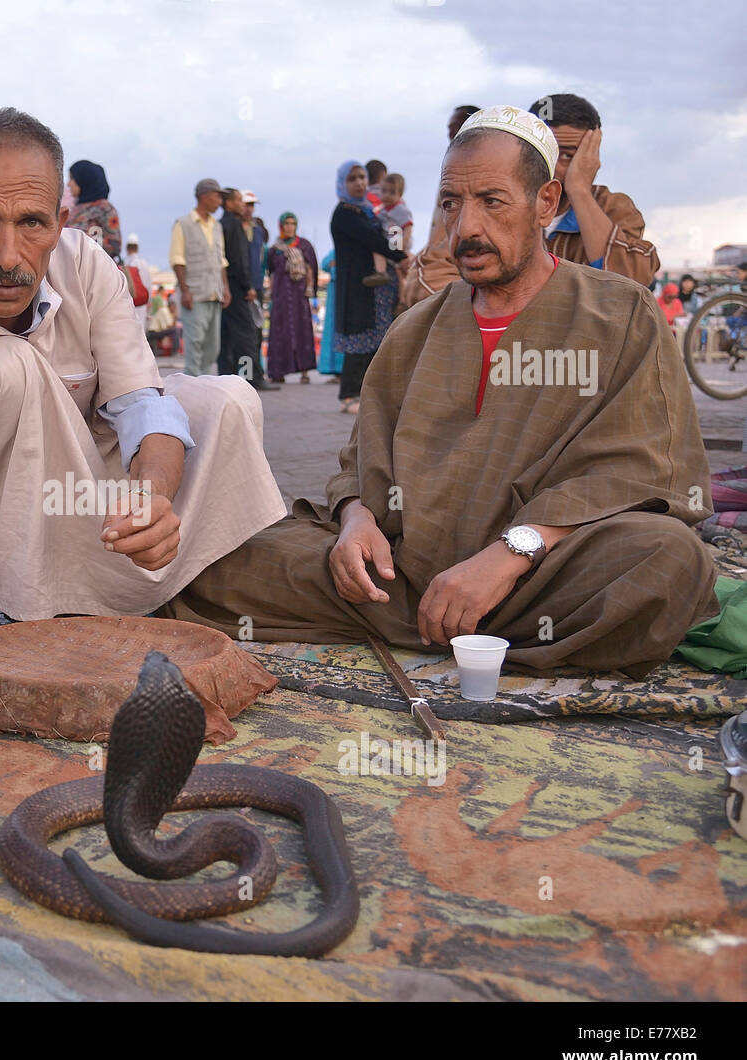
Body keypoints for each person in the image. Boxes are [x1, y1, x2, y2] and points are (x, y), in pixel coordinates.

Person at [164, 106, 717, 680]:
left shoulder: (621, 313)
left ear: (546, 203)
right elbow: (359, 466)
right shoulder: (415, 329)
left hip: (538, 574)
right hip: (398, 577)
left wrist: (510, 554)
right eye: (452, 203)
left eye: (492, 201)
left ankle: (460, 621)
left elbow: (646, 471)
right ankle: (454, 626)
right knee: (212, 557)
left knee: (668, 560)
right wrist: (356, 523)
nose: (467, 228)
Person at [0, 107, 285, 660]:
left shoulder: (87, 264)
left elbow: (142, 402)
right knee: (4, 364)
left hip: (82, 512)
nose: (10, 258)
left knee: (229, 399)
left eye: (32, 223)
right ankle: (9, 609)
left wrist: (152, 496)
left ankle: (147, 574)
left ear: (60, 222)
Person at [528, 93, 660, 284]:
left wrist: (579, 190)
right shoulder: (501, 206)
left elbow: (629, 284)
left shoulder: (613, 208)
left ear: (590, 156)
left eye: (566, 156)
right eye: (543, 153)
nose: (552, 167)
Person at [330, 161, 406, 412]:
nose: (360, 182)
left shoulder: (368, 211)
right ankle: (349, 395)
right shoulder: (345, 213)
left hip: (376, 291)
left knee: (375, 342)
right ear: (343, 183)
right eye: (353, 178)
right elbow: (372, 239)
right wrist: (403, 257)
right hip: (359, 289)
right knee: (359, 341)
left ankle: (368, 395)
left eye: (362, 177)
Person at [400, 104, 483, 308]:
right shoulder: (451, 168)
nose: (452, 134)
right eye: (449, 129)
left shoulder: (482, 172)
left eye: (457, 127)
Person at [218, 188, 279, 390]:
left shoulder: (257, 230)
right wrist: (247, 285)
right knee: (245, 336)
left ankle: (234, 377)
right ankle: (248, 378)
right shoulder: (232, 225)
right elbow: (236, 260)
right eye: (244, 203)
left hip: (253, 286)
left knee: (249, 334)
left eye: (251, 205)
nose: (247, 208)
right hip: (242, 288)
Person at [170, 178, 230, 377]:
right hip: (194, 295)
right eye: (217, 196)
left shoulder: (216, 226)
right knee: (194, 345)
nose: (220, 202)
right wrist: (185, 291)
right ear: (204, 196)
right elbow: (178, 259)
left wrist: (226, 288)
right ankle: (190, 389)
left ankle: (202, 385)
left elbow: (221, 260)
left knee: (212, 347)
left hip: (215, 293)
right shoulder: (183, 224)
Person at [266, 212, 318, 383]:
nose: (289, 227)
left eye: (292, 223)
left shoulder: (304, 246)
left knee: (301, 330)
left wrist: (310, 289)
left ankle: (304, 370)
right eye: (286, 224)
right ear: (281, 226)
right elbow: (271, 273)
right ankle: (278, 372)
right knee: (280, 332)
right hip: (281, 297)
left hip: (299, 296)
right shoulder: (275, 249)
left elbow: (311, 268)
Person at [65, 160, 121, 261]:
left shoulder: (105, 208)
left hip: (97, 272)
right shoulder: (75, 209)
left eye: (72, 178)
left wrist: (82, 242)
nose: (68, 184)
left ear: (84, 179)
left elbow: (114, 246)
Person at [317, 250, 342, 376]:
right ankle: (334, 369)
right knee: (333, 330)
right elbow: (325, 264)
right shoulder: (334, 252)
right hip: (335, 296)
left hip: (347, 294)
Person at [125, 234, 153, 329]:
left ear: (127, 248)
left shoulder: (126, 263)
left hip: (130, 304)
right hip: (143, 303)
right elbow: (149, 285)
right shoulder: (144, 263)